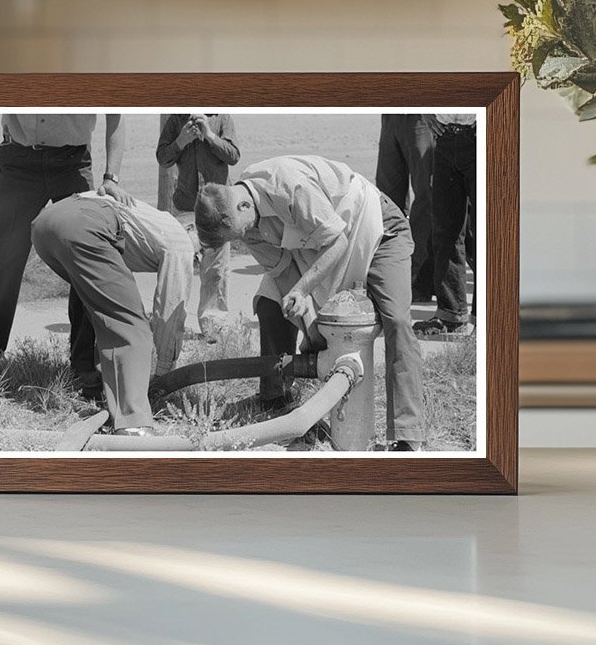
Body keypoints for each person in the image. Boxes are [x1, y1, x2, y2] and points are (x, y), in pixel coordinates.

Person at [195, 155, 425, 451]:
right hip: (319, 248)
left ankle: (408, 435)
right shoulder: (246, 220)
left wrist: (303, 290)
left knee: (396, 320)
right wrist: (312, 329)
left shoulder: (290, 187)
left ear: (242, 206)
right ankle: (276, 400)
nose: (243, 239)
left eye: (236, 235)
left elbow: (338, 241)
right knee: (269, 303)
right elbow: (282, 273)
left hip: (375, 229)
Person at [31, 193, 195, 435]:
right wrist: (162, 372)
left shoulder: (152, 218)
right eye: (202, 245)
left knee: (94, 299)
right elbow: (168, 311)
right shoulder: (180, 240)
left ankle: (86, 374)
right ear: (190, 226)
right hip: (85, 225)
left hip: (45, 226)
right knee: (130, 326)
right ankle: (134, 425)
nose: (198, 255)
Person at [0, 114, 132, 387]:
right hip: (17, 161)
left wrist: (111, 178)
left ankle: (82, 366)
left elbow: (116, 114)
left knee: (85, 259)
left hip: (71, 163)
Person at [156, 112, 240, 338]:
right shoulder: (176, 120)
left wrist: (211, 136)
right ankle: (171, 325)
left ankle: (213, 327)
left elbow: (233, 156)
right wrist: (181, 141)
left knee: (215, 270)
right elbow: (163, 158)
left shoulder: (222, 117)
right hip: (186, 206)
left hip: (217, 205)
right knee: (178, 266)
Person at [414, 115, 476, 337]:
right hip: (444, 137)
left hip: (480, 135)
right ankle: (452, 317)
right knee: (444, 230)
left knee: (484, 230)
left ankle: (484, 319)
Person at [375, 114, 436, 302]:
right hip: (391, 116)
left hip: (421, 117)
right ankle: (392, 273)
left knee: (427, 198)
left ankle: (418, 278)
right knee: (386, 200)